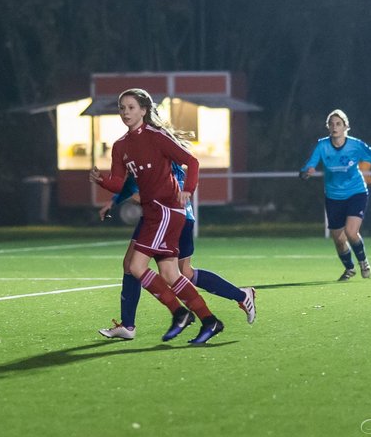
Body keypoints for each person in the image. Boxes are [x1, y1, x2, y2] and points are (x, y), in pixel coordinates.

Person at [90, 88, 224, 345]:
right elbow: (120, 183)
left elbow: (191, 162)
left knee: (135, 267)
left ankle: (179, 313)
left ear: (143, 110)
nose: (125, 113)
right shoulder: (120, 146)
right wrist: (102, 181)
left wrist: (188, 190)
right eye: (122, 108)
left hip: (166, 209)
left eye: (131, 107)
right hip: (153, 212)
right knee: (170, 274)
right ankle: (210, 321)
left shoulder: (156, 136)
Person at [97, 164, 256, 340]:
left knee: (144, 267)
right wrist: (115, 199)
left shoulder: (150, 148)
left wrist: (137, 196)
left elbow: (154, 187)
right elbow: (135, 183)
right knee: (181, 272)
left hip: (165, 215)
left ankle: (194, 317)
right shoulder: (150, 148)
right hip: (175, 214)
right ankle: (239, 296)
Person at [299, 108, 371, 281]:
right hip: (333, 196)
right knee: (339, 240)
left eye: (338, 124)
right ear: (328, 127)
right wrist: (306, 172)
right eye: (331, 124)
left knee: (350, 232)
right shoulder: (322, 146)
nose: (335, 127)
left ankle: (363, 262)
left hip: (356, 192)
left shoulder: (356, 146)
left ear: (345, 127)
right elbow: (305, 169)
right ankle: (350, 269)